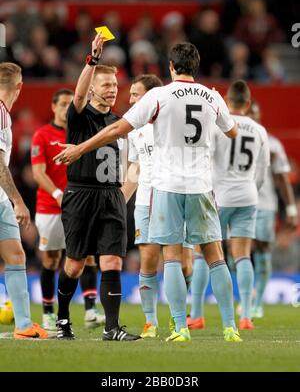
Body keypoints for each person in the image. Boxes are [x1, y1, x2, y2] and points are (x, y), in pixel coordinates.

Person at [55, 42, 243, 343]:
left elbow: (122, 139)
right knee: (214, 255)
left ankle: (176, 327)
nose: (115, 91)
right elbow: (232, 132)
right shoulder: (212, 96)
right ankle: (230, 326)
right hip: (200, 186)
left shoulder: (158, 97)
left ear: (170, 66)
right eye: (107, 85)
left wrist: (80, 150)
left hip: (164, 186)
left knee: (167, 256)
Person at [54, 33, 140, 341]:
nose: (113, 90)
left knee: (112, 261)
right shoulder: (79, 117)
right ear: (92, 88)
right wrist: (92, 59)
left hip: (111, 196)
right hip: (81, 194)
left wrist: (121, 194)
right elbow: (76, 98)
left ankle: (111, 328)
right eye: (106, 85)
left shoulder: (118, 122)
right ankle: (63, 320)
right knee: (75, 265)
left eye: (115, 86)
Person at [123, 74, 194, 339]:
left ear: (152, 96)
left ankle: (180, 317)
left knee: (183, 264)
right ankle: (151, 322)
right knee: (148, 260)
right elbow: (135, 168)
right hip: (145, 200)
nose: (130, 99)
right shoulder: (135, 130)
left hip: (173, 196)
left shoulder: (170, 122)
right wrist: (120, 201)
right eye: (130, 94)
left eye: (135, 94)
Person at [31, 88, 105, 332]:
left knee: (87, 255)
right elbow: (38, 172)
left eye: (69, 103)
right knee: (52, 259)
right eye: (62, 104)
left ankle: (91, 310)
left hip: (80, 205)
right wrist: (57, 194)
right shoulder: (42, 135)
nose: (66, 108)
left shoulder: (82, 132)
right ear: (53, 107)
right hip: (50, 207)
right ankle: (49, 313)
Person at [212, 80, 270, 330]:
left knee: (206, 255)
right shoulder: (259, 129)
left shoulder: (218, 126)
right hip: (248, 196)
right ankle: (246, 315)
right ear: (248, 103)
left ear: (227, 100)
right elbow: (261, 172)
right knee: (243, 255)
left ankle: (196, 313)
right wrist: (251, 190)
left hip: (220, 196)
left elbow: (206, 160)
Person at [0, 62, 47, 339]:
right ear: (20, 87)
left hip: (1, 198)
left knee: (16, 255)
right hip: (5, 197)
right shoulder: (2, 116)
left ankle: (24, 326)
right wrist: (18, 200)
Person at [248, 101, 298, 318]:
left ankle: (257, 303)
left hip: (265, 206)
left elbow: (281, 180)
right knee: (234, 252)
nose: (252, 117)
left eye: (255, 114)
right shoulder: (228, 137)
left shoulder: (273, 144)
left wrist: (290, 209)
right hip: (238, 203)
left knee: (262, 251)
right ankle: (245, 296)